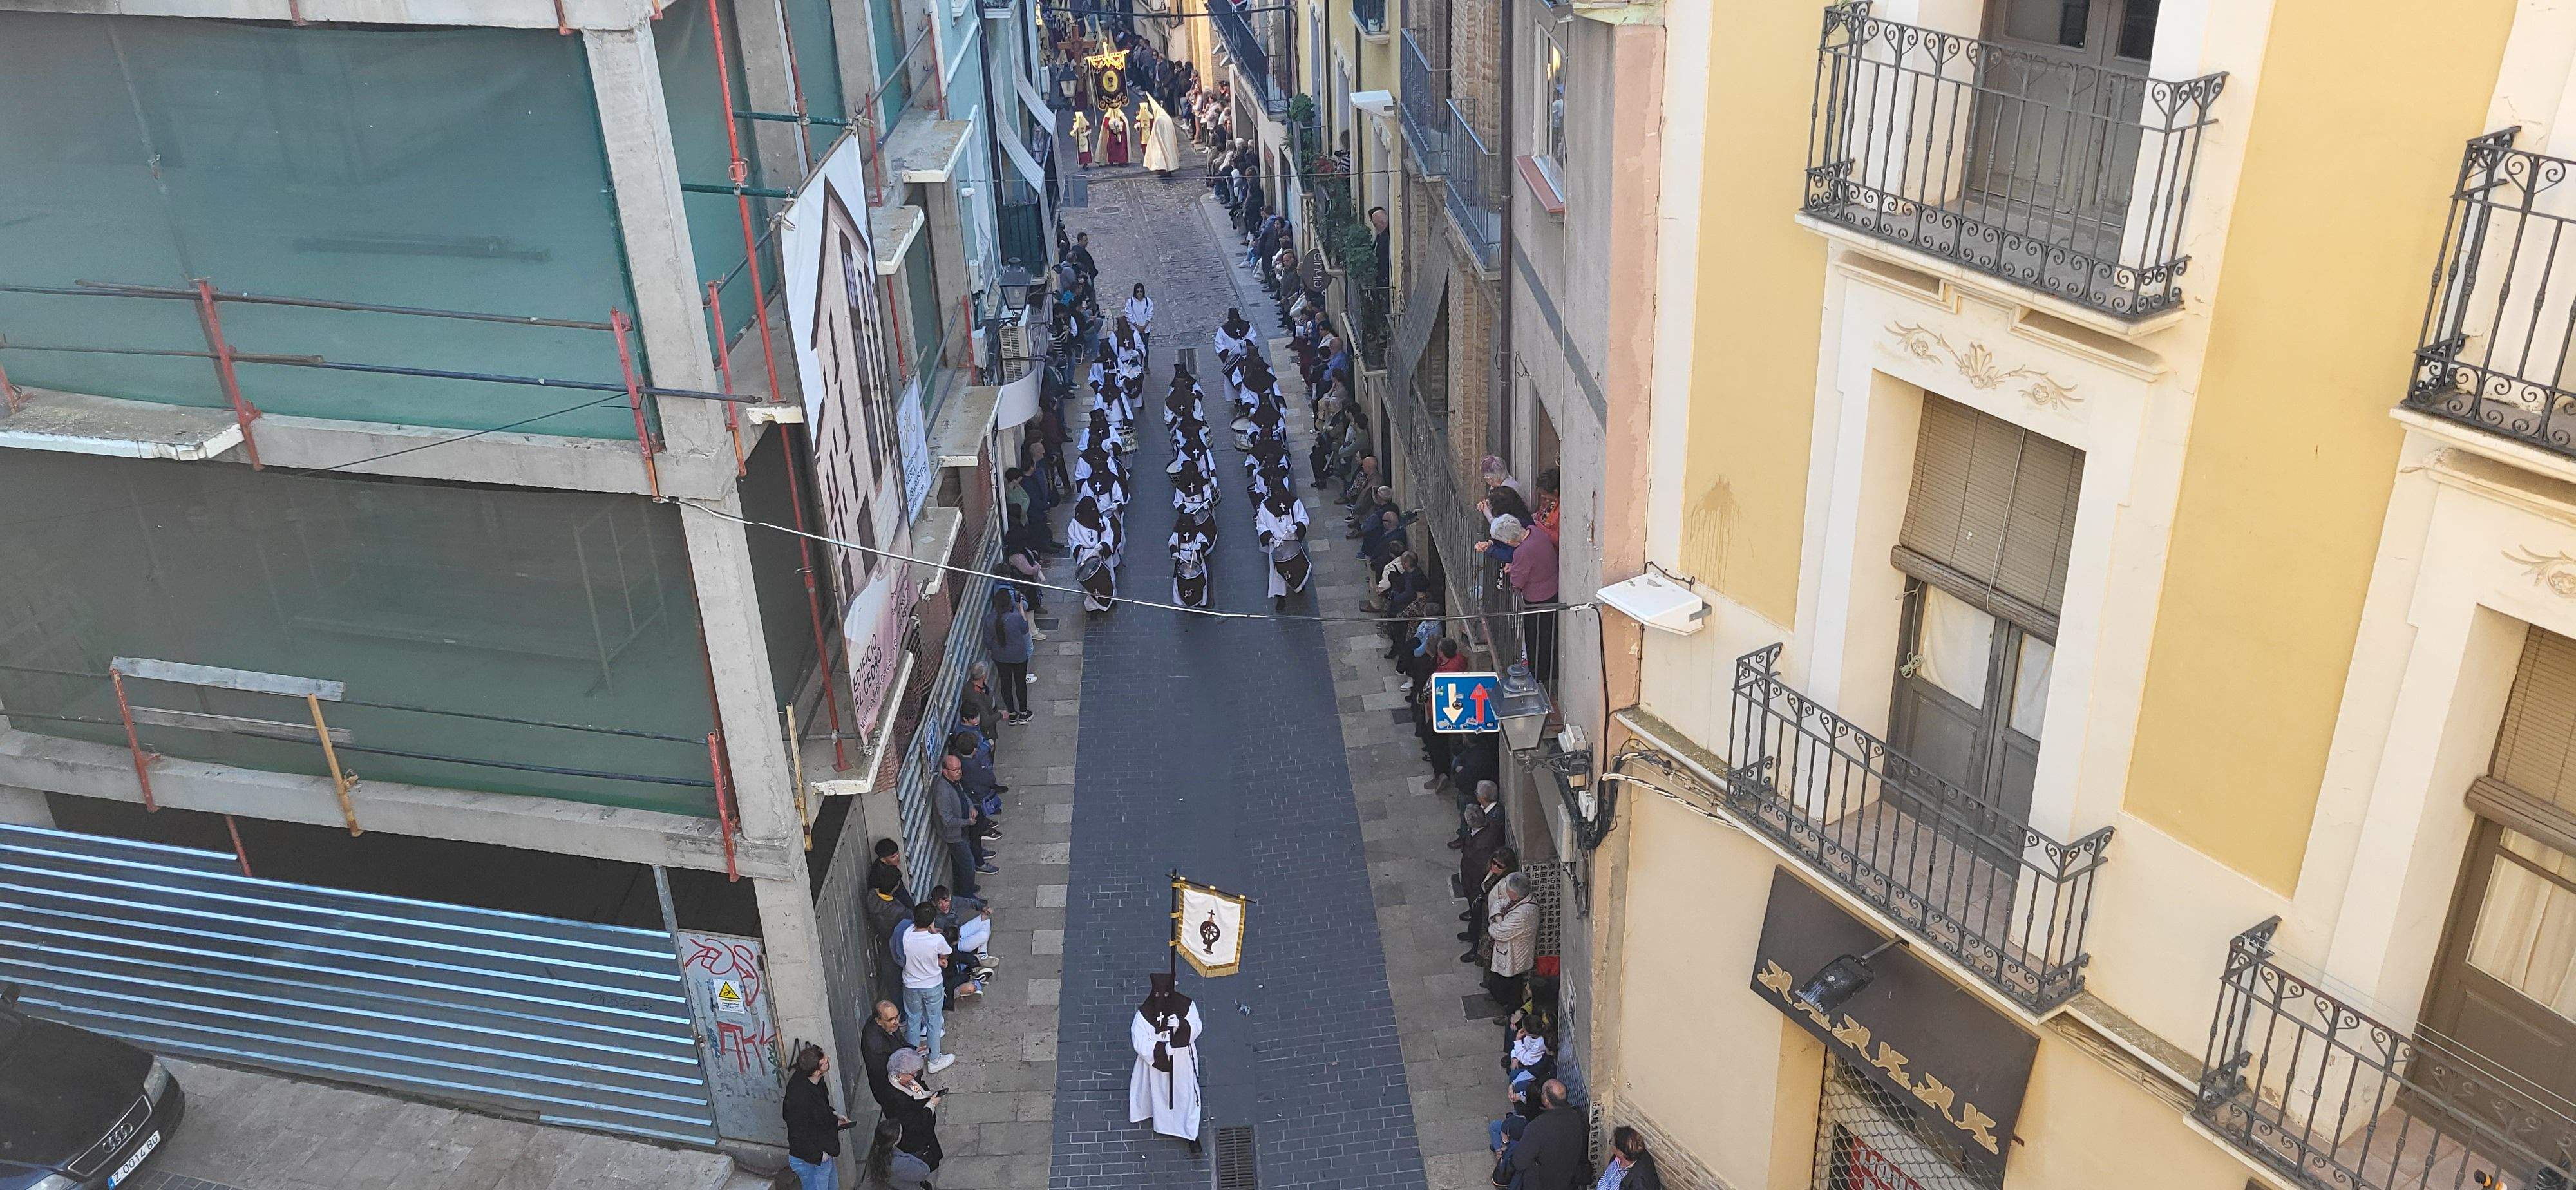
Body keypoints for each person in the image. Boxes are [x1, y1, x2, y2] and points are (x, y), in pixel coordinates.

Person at [1128, 972, 1206, 1155]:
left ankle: (1190, 1133)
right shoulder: (1144, 1015)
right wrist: (1162, 1051)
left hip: (1181, 1064)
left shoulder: (1186, 1007)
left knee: (1185, 1097)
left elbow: (1196, 1027)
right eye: (1158, 995)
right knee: (1158, 1096)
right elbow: (1139, 1041)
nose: (1161, 1000)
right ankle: (1161, 1121)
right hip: (1154, 1066)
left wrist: (1181, 1025)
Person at [781, 1043, 851, 1190]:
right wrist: (819, 1156)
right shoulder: (799, 1098)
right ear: (816, 1072)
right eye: (825, 1061)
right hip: (811, 1159)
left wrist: (834, 1115)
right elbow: (797, 1133)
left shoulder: (812, 1081)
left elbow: (819, 1111)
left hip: (820, 1154)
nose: (828, 1060)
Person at [899, 903, 958, 1073]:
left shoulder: (907, 935)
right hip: (932, 985)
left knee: (913, 1020)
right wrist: (941, 960)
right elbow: (946, 953)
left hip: (911, 985)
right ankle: (934, 1060)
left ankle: (912, 1063)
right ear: (932, 921)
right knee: (933, 1021)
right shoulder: (937, 940)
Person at [1502, 1081, 1588, 1190]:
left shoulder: (1537, 1127)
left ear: (1546, 1101)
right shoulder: (1579, 1117)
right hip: (1569, 1181)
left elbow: (1519, 1162)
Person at [1508, 511, 1561, 683]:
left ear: (1509, 541)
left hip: (1538, 600)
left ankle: (1541, 677)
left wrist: (1511, 572)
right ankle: (1551, 672)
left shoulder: (1522, 551)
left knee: (1537, 640)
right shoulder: (1535, 531)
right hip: (1553, 589)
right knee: (1551, 636)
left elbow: (1518, 581)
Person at [883, 1047, 945, 1169]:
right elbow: (914, 1123)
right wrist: (931, 1105)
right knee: (924, 1164)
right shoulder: (895, 1098)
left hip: (925, 1131)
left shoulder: (905, 1077)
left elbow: (920, 1083)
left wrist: (927, 1094)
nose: (915, 1076)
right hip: (914, 1139)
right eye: (912, 1074)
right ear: (901, 1074)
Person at [1484, 871, 1539, 1010]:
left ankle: (1511, 1012)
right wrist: (1498, 918)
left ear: (1514, 893)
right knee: (1509, 984)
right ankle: (1510, 1009)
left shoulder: (1523, 914)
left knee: (1506, 987)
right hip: (1509, 952)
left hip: (1514, 956)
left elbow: (1498, 932)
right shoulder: (1519, 900)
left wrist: (1493, 923)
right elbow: (1498, 904)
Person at [989, 588, 1036, 723]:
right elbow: (1025, 629)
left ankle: (1011, 713)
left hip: (1000, 657)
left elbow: (987, 641)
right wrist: (1021, 607)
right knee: (1020, 683)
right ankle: (1023, 712)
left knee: (1006, 683)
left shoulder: (989, 620)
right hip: (1018, 656)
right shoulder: (1015, 618)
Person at [860, 998, 911, 1117]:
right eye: (891, 1020)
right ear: (879, 1021)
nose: (897, 1022)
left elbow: (900, 1041)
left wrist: (912, 1049)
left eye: (897, 1017)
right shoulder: (875, 1045)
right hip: (891, 1092)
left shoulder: (889, 1026)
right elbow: (884, 1074)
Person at [860, 1117, 936, 1189]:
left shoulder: (877, 1151)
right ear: (895, 1142)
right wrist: (913, 1157)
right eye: (901, 1133)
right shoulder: (899, 1163)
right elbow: (925, 1171)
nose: (902, 1134)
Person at [1596, 1126, 1662, 1190]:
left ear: (1621, 1153)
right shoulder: (1628, 1153)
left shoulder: (1639, 1184)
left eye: (1612, 1142)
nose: (1610, 1144)